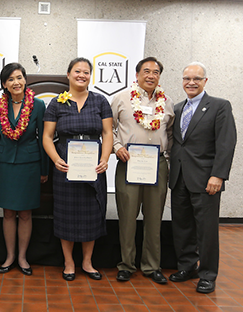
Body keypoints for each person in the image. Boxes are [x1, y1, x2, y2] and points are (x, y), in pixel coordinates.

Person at [42, 57, 113, 281]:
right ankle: (69, 262)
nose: (81, 75)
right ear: (68, 75)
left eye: (86, 72)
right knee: (66, 214)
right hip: (66, 166)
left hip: (93, 166)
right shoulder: (56, 103)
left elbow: (108, 134)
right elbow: (46, 136)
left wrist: (105, 159)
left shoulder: (100, 101)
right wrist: (55, 159)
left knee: (92, 213)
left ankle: (87, 262)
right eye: (77, 71)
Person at [169, 62, 236, 294]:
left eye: (197, 78)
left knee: (206, 230)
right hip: (178, 179)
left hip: (206, 179)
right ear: (182, 81)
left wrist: (218, 175)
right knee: (182, 226)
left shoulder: (219, 106)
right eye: (187, 78)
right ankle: (187, 266)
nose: (191, 82)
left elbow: (226, 143)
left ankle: (208, 274)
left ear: (205, 81)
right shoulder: (177, 108)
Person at [111, 57, 174, 284]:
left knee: (154, 218)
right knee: (127, 217)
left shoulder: (167, 103)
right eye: (146, 71)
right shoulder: (121, 98)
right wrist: (116, 147)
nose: (151, 75)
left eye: (156, 72)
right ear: (136, 75)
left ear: (159, 76)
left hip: (157, 165)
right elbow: (107, 127)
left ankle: (151, 266)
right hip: (129, 163)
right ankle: (126, 265)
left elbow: (172, 134)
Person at [0, 63, 48, 276]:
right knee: (7, 212)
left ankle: (23, 257)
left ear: (25, 80)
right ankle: (9, 256)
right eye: (11, 79)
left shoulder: (38, 105)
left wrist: (44, 169)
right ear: (4, 84)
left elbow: (44, 138)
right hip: (5, 165)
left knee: (25, 213)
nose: (16, 82)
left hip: (29, 165)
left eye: (19, 77)